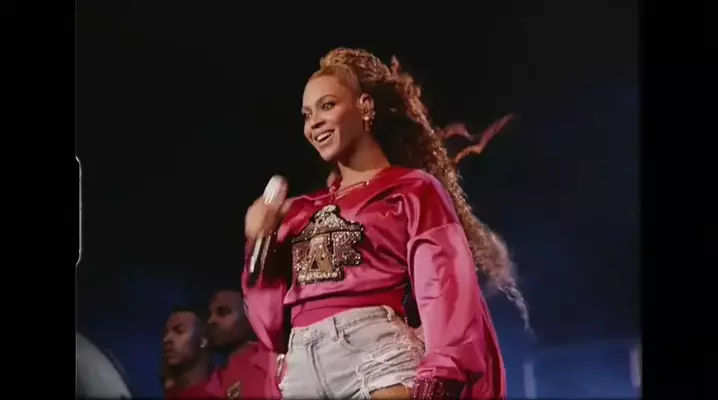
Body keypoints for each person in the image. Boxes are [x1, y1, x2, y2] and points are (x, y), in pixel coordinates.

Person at [242, 47, 529, 399]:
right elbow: (271, 328)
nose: (313, 122)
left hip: (376, 356)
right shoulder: (300, 211)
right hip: (301, 370)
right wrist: (260, 246)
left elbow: (443, 284)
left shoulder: (412, 189)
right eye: (306, 114)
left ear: (365, 107)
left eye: (327, 105)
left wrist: (442, 369)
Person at [207, 289, 283, 399]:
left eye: (223, 312)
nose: (211, 321)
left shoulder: (271, 363)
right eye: (210, 314)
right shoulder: (213, 381)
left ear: (248, 317)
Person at [162, 307, 221, 399]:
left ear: (203, 340)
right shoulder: (172, 392)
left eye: (179, 331)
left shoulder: (219, 393)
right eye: (165, 333)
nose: (166, 339)